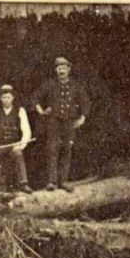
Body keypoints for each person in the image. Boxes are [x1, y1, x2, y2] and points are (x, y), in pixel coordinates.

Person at [32, 57, 91, 192]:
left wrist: (82, 118)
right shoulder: (49, 84)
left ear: (69, 69)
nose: (61, 70)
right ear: (56, 70)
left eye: (64, 68)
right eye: (59, 68)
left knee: (66, 150)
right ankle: (51, 182)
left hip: (69, 123)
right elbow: (35, 97)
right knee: (52, 150)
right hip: (53, 123)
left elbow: (85, 101)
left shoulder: (76, 85)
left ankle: (63, 181)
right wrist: (41, 110)